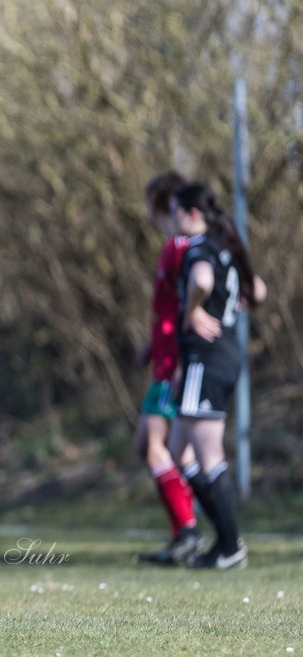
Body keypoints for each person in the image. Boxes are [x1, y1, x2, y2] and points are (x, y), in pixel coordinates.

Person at [168, 181, 266, 570]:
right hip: (219, 357)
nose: (172, 218)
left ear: (192, 214)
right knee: (179, 450)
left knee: (208, 455)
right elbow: (258, 291)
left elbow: (203, 281)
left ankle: (229, 547)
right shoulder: (227, 247)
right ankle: (226, 543)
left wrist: (193, 310)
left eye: (175, 210)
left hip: (207, 358)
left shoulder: (200, 248)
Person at [133, 172, 206, 566]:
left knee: (157, 446)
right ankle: (184, 532)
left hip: (175, 363)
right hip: (164, 358)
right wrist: (152, 343)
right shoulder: (172, 247)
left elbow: (186, 305)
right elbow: (169, 308)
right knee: (152, 446)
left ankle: (189, 531)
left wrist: (178, 356)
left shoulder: (181, 248)